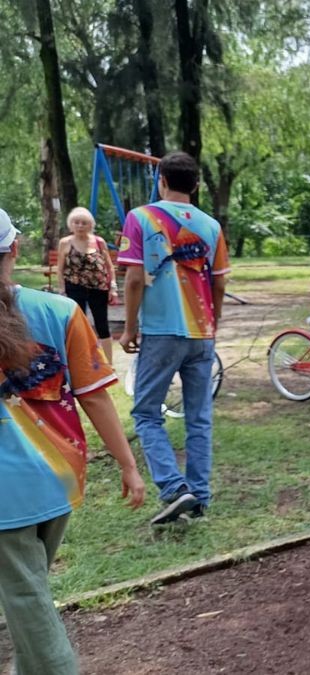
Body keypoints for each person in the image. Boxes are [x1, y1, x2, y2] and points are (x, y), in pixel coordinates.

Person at [0, 208, 145, 674]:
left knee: (26, 599)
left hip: (7, 494)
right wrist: (128, 464)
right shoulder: (60, 312)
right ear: (15, 250)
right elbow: (96, 399)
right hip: (59, 480)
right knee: (29, 593)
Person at [117, 151, 231, 526]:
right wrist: (213, 324)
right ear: (196, 184)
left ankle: (172, 488)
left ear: (161, 180)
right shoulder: (211, 226)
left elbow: (133, 279)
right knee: (199, 417)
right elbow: (219, 282)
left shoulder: (140, 217)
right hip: (202, 333)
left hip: (162, 331)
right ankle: (198, 495)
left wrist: (130, 327)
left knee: (147, 413)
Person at [56, 207, 119, 362]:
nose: (80, 226)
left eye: (84, 223)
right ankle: (81, 362)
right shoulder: (65, 243)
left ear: (90, 225)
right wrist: (62, 290)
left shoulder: (99, 242)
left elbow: (109, 266)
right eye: (76, 222)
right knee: (77, 326)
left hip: (99, 288)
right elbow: (60, 268)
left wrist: (113, 287)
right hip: (74, 287)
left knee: (102, 325)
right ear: (71, 225)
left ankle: (109, 363)